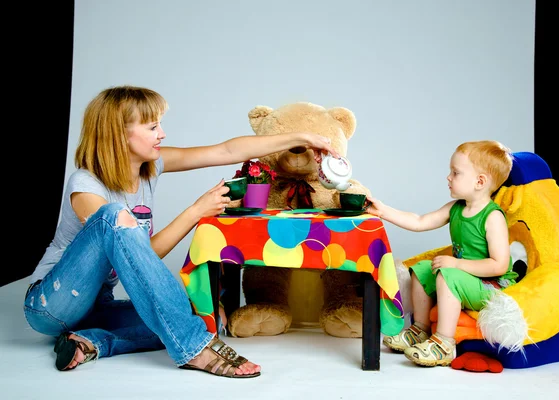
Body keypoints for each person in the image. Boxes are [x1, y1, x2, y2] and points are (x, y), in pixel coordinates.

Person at [23, 85, 339, 378]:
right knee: (112, 216)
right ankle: (193, 349)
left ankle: (90, 343)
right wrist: (195, 212)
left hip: (97, 307)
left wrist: (303, 137)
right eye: (151, 127)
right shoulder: (85, 186)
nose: (162, 134)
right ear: (118, 135)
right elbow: (126, 257)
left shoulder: (150, 167)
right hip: (52, 304)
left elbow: (228, 151)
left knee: (202, 315)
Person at [366, 140, 518, 367]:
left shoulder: (492, 217)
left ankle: (444, 343)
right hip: (465, 278)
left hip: (490, 284)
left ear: (480, 181)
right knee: (422, 270)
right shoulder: (456, 207)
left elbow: (499, 266)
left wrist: (456, 265)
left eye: (455, 173)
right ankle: (420, 329)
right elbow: (419, 221)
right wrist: (384, 211)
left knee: (447, 273)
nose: (448, 177)